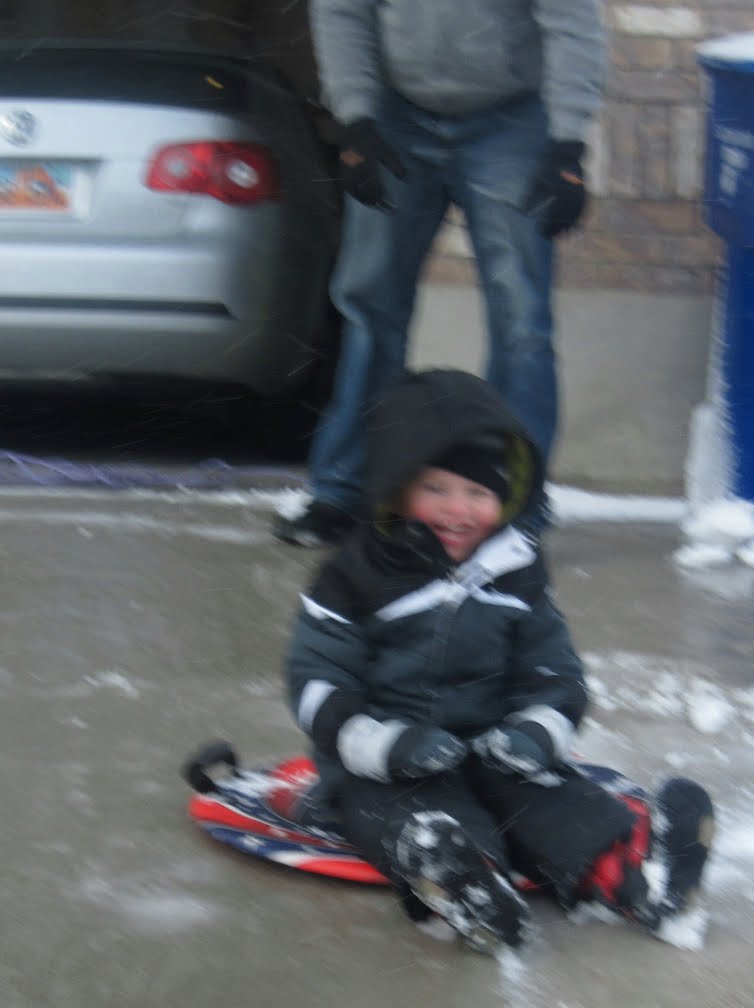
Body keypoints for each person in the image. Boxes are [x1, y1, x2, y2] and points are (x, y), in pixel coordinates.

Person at [284, 368, 715, 952]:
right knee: (405, 813)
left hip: (494, 750)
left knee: (553, 802)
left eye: (478, 493)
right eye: (436, 488)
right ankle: (465, 881)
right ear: (395, 487)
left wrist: (534, 734)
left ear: (506, 496)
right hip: (385, 760)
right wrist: (384, 744)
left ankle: (640, 873)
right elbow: (318, 679)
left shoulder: (516, 570)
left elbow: (553, 672)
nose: (458, 510)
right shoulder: (355, 576)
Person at [273, 0, 606, 548]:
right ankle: (342, 491)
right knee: (369, 307)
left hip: (510, 121)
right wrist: (356, 121)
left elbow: (572, 24)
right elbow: (343, 12)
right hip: (395, 116)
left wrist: (568, 145)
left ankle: (515, 502)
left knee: (522, 321)